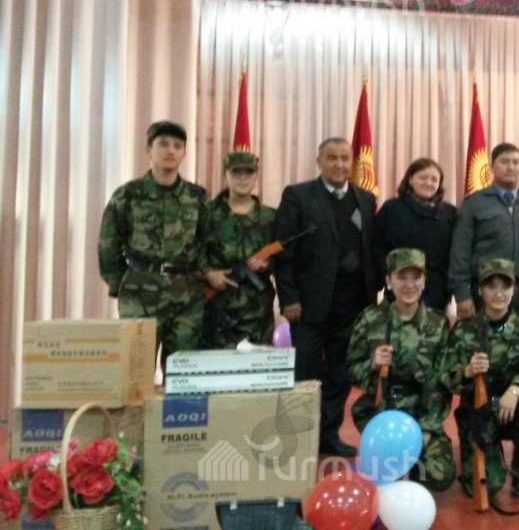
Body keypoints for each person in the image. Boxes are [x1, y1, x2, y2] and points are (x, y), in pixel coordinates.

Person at [275, 137, 381, 457]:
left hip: (353, 306)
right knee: (305, 374)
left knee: (340, 375)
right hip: (308, 306)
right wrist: (289, 298)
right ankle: (298, 439)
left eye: (345, 158)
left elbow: (370, 250)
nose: (339, 164)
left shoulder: (365, 199)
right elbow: (284, 252)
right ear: (318, 162)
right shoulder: (298, 196)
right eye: (332, 158)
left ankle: (328, 435)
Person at [97, 120, 209, 362]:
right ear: (149, 150)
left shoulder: (196, 197)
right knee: (136, 369)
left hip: (186, 297)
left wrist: (200, 278)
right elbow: (108, 243)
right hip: (140, 295)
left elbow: (206, 241)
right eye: (163, 144)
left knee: (182, 372)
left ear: (184, 153)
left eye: (177, 146)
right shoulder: (127, 195)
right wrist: (120, 284)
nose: (171, 151)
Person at [347, 248, 455, 491]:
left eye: (416, 277)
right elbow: (352, 371)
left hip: (421, 410)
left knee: (440, 476)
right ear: (388, 280)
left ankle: (413, 464)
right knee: (380, 477)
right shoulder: (370, 319)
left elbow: (442, 383)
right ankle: (394, 464)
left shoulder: (437, 324)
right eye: (401, 277)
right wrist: (372, 363)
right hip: (382, 412)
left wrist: (427, 429)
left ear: (424, 280)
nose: (409, 285)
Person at [442, 258, 519, 501]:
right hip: (478, 413)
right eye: (491, 286)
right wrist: (467, 371)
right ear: (480, 290)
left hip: (514, 410)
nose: (499, 293)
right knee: (486, 487)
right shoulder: (464, 330)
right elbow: (447, 377)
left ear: (514, 289)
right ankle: (485, 458)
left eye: (505, 286)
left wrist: (516, 388)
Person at [450, 142, 519, 322]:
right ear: (492, 167)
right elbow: (460, 253)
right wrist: (462, 295)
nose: (511, 167)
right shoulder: (474, 204)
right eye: (505, 162)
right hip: (487, 291)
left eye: (516, 162)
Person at [201, 151, 276, 348]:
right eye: (236, 172)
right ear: (225, 175)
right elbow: (191, 252)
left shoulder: (271, 217)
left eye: (248, 172)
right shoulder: (207, 214)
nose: (242, 178)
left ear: (256, 176)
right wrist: (207, 273)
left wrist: (267, 265)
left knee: (256, 365)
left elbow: (285, 260)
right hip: (215, 310)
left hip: (257, 314)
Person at [374, 158, 457, 311]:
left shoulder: (449, 213)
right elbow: (377, 246)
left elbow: (455, 253)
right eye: (423, 177)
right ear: (410, 179)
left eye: (434, 179)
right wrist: (388, 276)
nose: (429, 183)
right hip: (400, 286)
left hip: (437, 290)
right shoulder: (392, 209)